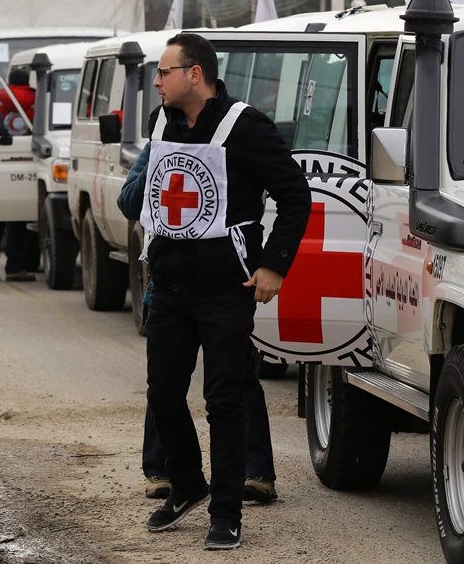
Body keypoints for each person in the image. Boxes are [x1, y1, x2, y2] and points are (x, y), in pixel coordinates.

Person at [140, 33, 309, 551]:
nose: (157, 81)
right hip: (168, 287)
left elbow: (295, 195)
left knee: (224, 402)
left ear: (195, 74)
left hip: (224, 292)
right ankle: (188, 485)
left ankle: (226, 511)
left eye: (164, 72)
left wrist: (273, 266)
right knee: (164, 397)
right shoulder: (162, 120)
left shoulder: (246, 126)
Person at [119, 142, 280, 505]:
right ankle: (160, 470)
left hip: (223, 287)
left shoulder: (233, 139)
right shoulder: (160, 143)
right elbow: (128, 202)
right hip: (169, 285)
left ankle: (257, 471)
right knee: (165, 384)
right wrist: (160, 165)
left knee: (236, 377)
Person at [0, 69, 39, 283]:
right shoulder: (36, 100)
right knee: (18, 218)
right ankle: (14, 267)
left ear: (9, 82)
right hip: (25, 163)